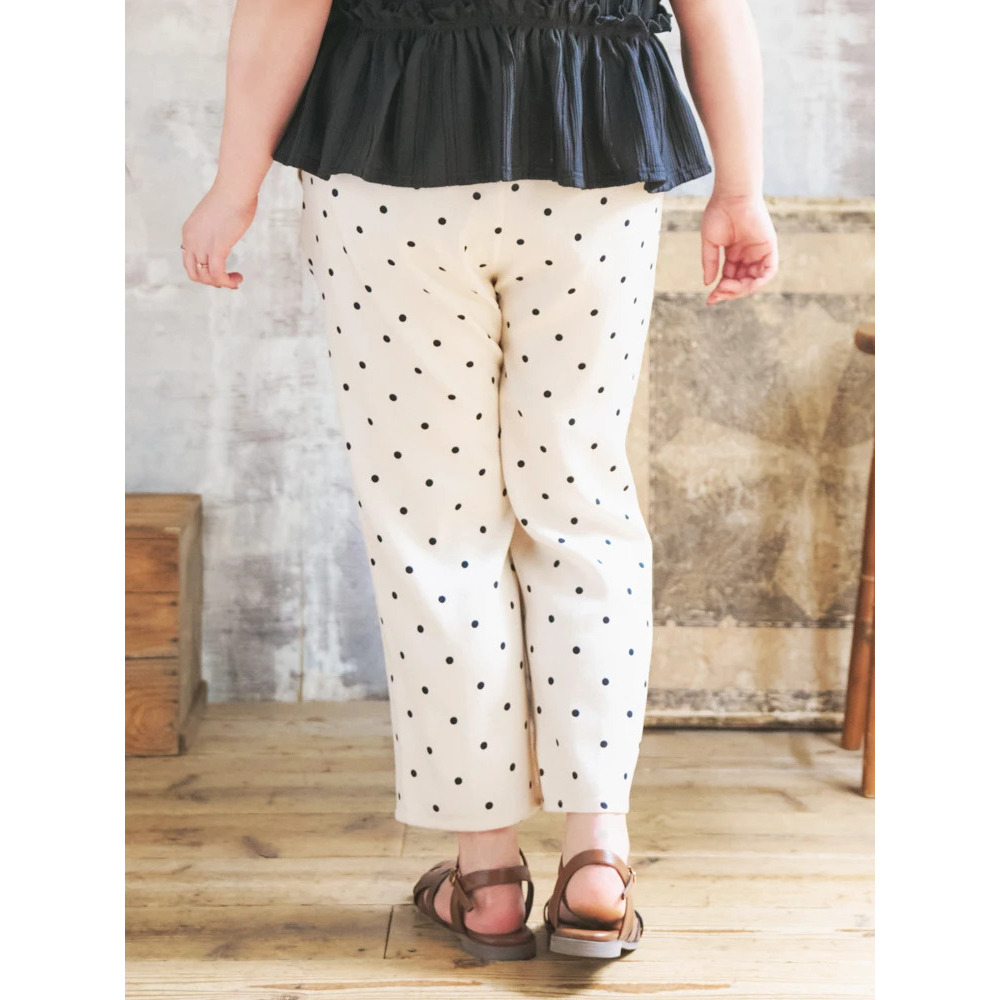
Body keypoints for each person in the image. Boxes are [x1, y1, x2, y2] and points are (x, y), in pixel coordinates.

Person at [180, 0, 778, 962]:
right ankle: (596, 864)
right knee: (583, 510)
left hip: (393, 161)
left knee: (435, 530)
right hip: (594, 154)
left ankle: (489, 877)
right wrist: (739, 190)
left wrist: (233, 181)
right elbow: (718, 13)